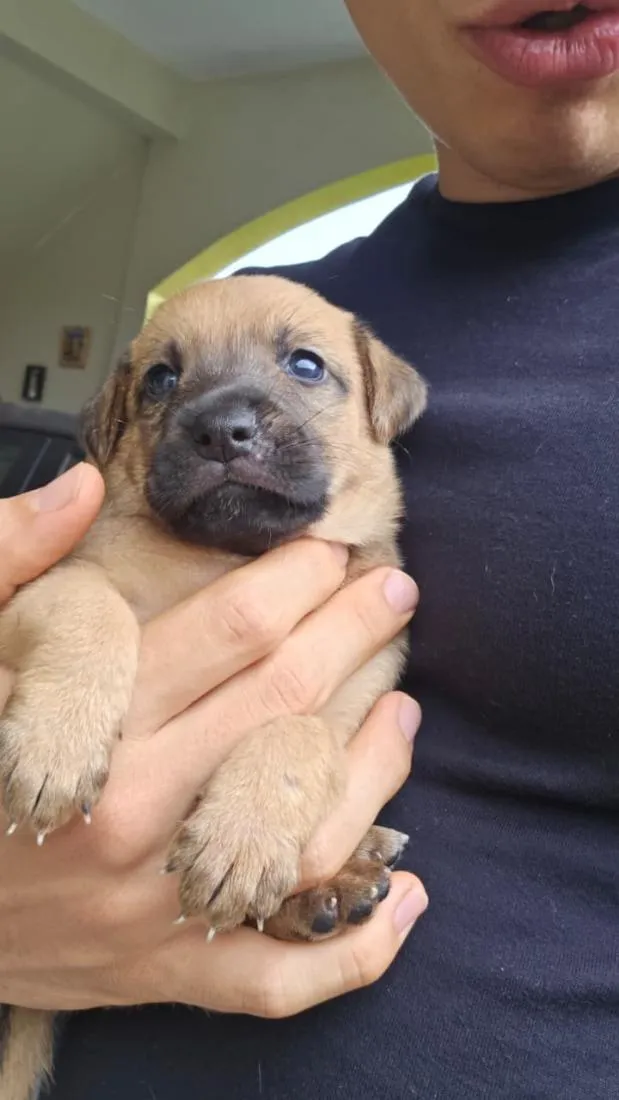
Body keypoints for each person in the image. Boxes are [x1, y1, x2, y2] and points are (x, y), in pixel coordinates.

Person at [2, 0, 618, 1095]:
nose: (231, 420)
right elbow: (57, 605)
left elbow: (318, 730)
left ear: (382, 406)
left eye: (297, 372)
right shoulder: (323, 305)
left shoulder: (362, 495)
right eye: (166, 383)